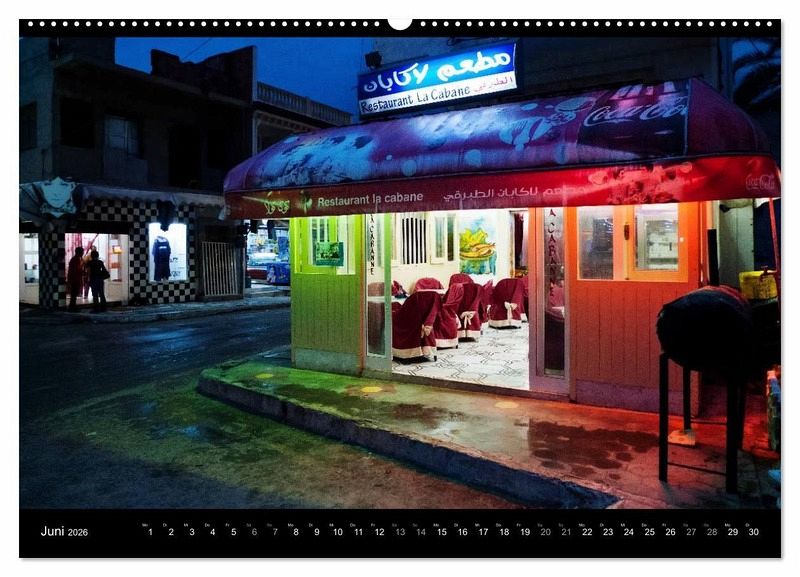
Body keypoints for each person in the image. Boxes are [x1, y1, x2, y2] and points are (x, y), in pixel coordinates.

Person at [66, 246, 84, 312]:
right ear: (79, 252)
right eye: (82, 252)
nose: (83, 253)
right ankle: (72, 307)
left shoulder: (75, 259)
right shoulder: (76, 260)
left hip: (74, 279)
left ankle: (72, 306)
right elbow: (76, 270)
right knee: (74, 294)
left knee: (74, 294)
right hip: (75, 279)